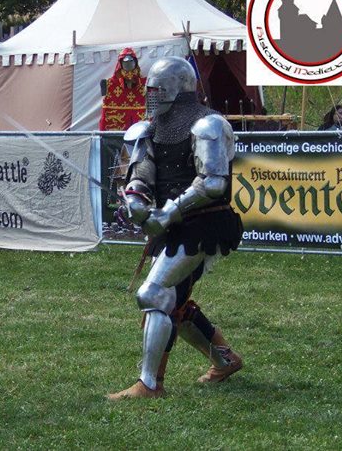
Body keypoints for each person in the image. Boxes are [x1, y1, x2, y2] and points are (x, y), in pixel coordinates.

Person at [107, 56, 244, 400]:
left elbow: (212, 182)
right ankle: (224, 359)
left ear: (174, 90)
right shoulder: (151, 129)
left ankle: (150, 384)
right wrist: (137, 201)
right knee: (172, 299)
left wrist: (168, 213)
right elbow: (141, 174)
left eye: (156, 90)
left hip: (204, 222)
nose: (150, 96)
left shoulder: (207, 125)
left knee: (153, 294)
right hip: (175, 226)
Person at [99, 48, 146, 131]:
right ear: (120, 64)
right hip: (116, 132)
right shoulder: (108, 84)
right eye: (125, 63)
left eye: (131, 63)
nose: (129, 66)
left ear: (135, 63)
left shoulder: (145, 83)